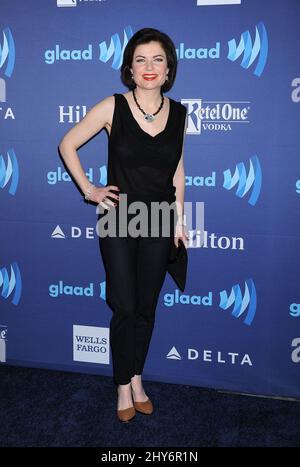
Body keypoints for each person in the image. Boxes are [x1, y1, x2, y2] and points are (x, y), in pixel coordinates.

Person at [59, 27, 188, 422]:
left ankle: (136, 377)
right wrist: (89, 189)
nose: (149, 67)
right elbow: (67, 144)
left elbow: (178, 168)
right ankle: (121, 386)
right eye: (141, 59)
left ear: (168, 70)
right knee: (125, 306)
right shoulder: (113, 106)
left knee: (147, 308)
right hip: (119, 217)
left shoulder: (180, 113)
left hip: (159, 218)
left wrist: (179, 220)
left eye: (158, 59)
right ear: (129, 69)